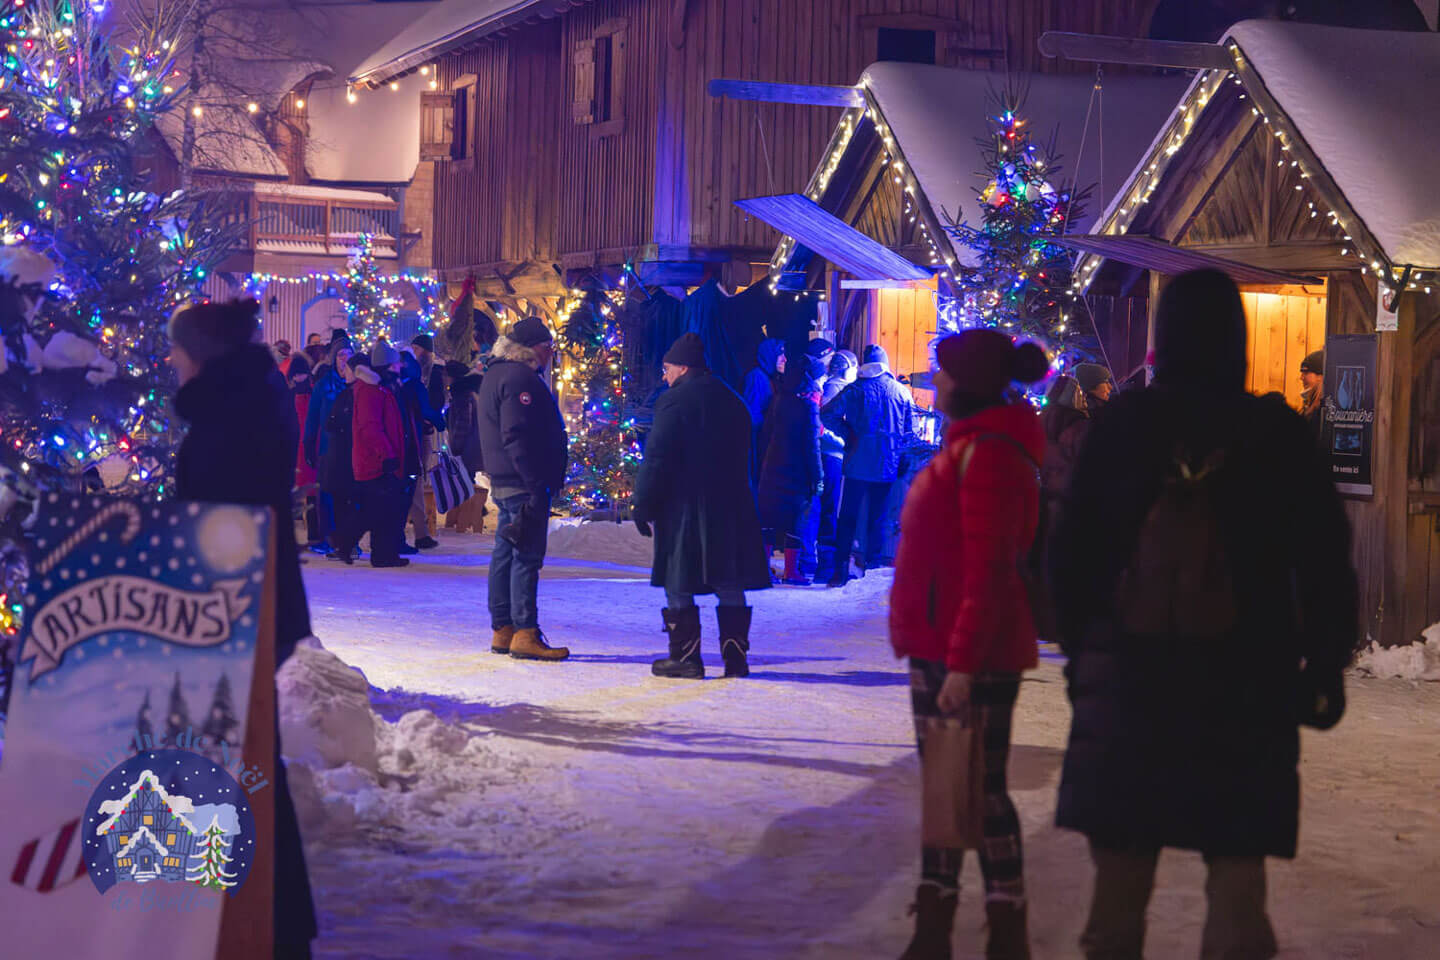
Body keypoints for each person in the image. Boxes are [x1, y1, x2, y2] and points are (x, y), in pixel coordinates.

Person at [1050, 269, 1358, 960]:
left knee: (1119, 893)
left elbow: (1072, 556)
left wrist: (1085, 655)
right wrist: (1325, 662)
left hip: (1131, 680)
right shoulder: (1275, 435)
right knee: (1237, 889)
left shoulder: (1123, 427)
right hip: (1246, 681)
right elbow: (1324, 557)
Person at [888, 328, 1048, 960]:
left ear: (969, 385)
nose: (937, 384)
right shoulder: (970, 448)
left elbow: (988, 568)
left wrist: (961, 664)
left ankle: (1005, 931)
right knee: (947, 786)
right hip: (944, 642)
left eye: (944, 375)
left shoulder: (991, 456)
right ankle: (934, 928)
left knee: (978, 789)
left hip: (968, 650)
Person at [168, 299, 317, 959]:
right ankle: (270, 917)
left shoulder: (225, 418)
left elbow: (218, 522)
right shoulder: (249, 399)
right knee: (249, 763)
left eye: (176, 354)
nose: (172, 366)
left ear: (198, 355)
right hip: (257, 605)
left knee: (244, 764)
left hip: (237, 610)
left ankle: (267, 920)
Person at [633, 333, 770, 679]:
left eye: (666, 369)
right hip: (731, 506)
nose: (664, 376)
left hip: (683, 509)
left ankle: (686, 658)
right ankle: (735, 657)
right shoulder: (733, 400)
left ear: (682, 367)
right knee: (728, 579)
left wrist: (643, 504)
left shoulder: (673, 402)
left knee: (678, 579)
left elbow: (657, 459)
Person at [477, 317, 571, 661]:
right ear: (531, 348)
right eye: (548, 347)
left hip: (506, 478)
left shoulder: (496, 374)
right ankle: (525, 631)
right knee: (526, 554)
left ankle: (504, 628)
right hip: (522, 481)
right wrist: (535, 483)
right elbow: (516, 434)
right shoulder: (520, 379)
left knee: (506, 550)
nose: (550, 354)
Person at [821, 344, 914, 586]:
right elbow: (908, 432)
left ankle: (839, 571)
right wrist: (901, 456)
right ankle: (871, 573)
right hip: (887, 464)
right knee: (878, 519)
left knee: (848, 517)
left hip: (856, 462)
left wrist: (847, 433)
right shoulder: (900, 391)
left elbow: (826, 414)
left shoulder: (855, 390)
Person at [759, 360, 824, 586]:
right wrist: (818, 477)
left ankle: (762, 569)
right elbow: (812, 446)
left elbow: (765, 434)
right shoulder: (808, 407)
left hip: (772, 469)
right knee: (795, 523)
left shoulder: (778, 401)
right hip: (797, 474)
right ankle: (790, 571)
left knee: (768, 521)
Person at [352, 341, 410, 568]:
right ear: (386, 366)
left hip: (382, 460)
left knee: (387, 509)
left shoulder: (383, 388)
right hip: (376, 462)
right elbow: (370, 427)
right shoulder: (371, 390)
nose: (399, 368)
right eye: (395, 364)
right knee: (382, 511)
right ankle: (382, 554)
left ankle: (387, 552)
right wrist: (386, 455)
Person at [303, 332, 355, 554]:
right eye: (341, 355)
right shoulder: (324, 385)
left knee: (350, 497)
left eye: (348, 354)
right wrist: (308, 445)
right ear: (334, 358)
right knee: (327, 497)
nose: (344, 359)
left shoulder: (357, 384)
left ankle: (348, 540)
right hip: (328, 448)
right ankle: (328, 539)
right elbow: (312, 418)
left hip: (353, 450)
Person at [399, 350, 447, 550]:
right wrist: (440, 421)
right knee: (413, 487)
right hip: (413, 443)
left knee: (410, 488)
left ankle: (420, 533)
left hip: (398, 443)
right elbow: (426, 410)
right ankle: (418, 534)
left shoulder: (392, 385)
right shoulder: (415, 386)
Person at [816, 350, 857, 581]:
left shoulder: (840, 387)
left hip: (834, 454)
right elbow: (826, 424)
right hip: (831, 455)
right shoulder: (835, 388)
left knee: (831, 508)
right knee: (830, 509)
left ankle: (828, 564)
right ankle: (826, 566)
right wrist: (844, 441)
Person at [324, 354, 365, 563]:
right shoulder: (348, 393)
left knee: (346, 503)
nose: (344, 372)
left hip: (346, 458)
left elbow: (337, 422)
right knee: (344, 502)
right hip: (343, 456)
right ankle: (345, 545)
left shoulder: (352, 395)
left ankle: (347, 545)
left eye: (348, 369)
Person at [443, 359, 489, 533]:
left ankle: (470, 515)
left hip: (468, 447)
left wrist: (456, 446)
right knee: (465, 480)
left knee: (463, 481)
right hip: (472, 446)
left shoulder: (462, 395)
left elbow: (464, 423)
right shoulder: (467, 393)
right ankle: (471, 513)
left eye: (446, 375)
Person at [286, 352, 321, 549]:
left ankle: (314, 535)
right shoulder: (301, 393)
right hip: (299, 448)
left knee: (310, 494)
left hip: (304, 447)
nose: (300, 378)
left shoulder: (300, 393)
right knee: (307, 494)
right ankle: (312, 535)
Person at [741, 338, 786, 486]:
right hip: (756, 443)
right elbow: (752, 414)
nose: (785, 359)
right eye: (780, 355)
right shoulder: (756, 377)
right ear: (770, 356)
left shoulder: (770, 378)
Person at [1299, 349, 1325, 442]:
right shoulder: (1308, 406)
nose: (1301, 377)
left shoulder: (1324, 411)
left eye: (1305, 373)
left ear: (1320, 376)